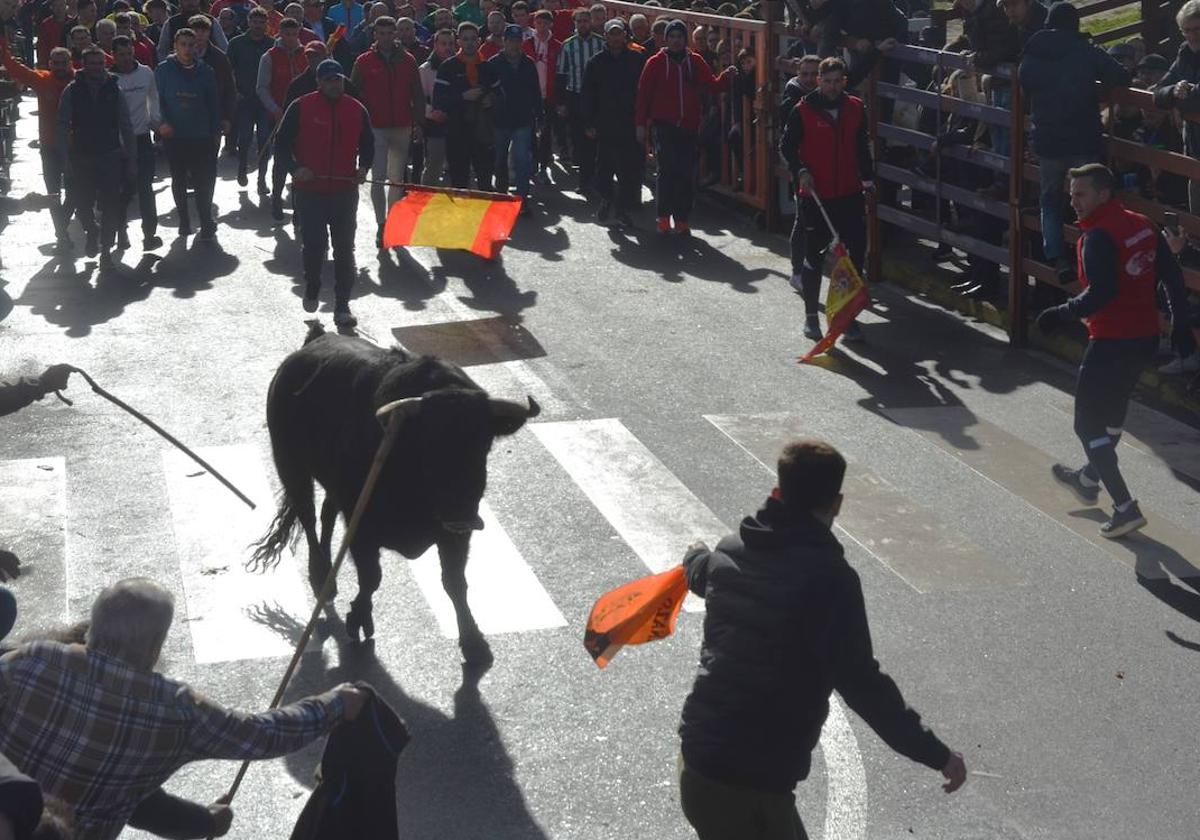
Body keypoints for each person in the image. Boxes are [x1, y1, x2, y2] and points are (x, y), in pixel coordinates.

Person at [677, 438, 967, 839]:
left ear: (777, 491)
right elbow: (864, 686)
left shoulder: (730, 553)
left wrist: (693, 555)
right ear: (837, 504)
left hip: (697, 764)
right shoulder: (831, 581)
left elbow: (702, 572)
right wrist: (936, 754)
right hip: (754, 783)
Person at [0, 577, 369, 840]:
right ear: (155, 650)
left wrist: (201, 822)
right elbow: (265, 734)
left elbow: (143, 803)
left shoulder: (29, 660)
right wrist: (335, 703)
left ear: (90, 628)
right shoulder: (176, 711)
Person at [1036, 164, 1194, 538]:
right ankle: (1090, 477)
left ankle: (1124, 507)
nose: (1073, 202)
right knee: (1111, 417)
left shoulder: (1097, 237)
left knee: (1085, 424)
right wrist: (1180, 325)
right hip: (1144, 339)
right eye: (1072, 194)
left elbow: (1101, 293)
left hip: (1111, 340)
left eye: (1081, 194)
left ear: (1104, 194)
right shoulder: (1142, 224)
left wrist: (1058, 313)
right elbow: (1171, 276)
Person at [1019, 2, 1130, 281]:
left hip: (1048, 140)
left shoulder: (1033, 51)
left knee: (1050, 199)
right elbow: (1120, 76)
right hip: (1082, 138)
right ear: (1075, 24)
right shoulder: (1085, 50)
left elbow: (1025, 82)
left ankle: (1057, 258)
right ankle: (1091, 259)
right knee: (1091, 200)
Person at [779, 56, 871, 342]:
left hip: (849, 193)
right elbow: (787, 146)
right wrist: (800, 170)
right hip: (816, 194)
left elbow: (861, 147)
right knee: (814, 255)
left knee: (853, 258)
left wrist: (868, 180)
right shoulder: (802, 110)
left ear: (844, 81)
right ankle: (810, 317)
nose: (832, 87)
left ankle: (847, 317)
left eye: (837, 81)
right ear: (818, 81)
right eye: (827, 81)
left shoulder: (855, 108)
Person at [276, 59, 374, 327]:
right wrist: (296, 169)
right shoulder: (301, 106)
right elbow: (281, 145)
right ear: (319, 82)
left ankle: (342, 305)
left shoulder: (356, 109)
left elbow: (368, 145)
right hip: (310, 192)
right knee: (315, 244)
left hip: (344, 191)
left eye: (338, 79)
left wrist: (363, 168)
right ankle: (313, 283)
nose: (334, 84)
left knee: (345, 248)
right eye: (329, 80)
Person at [634, 19, 731, 236]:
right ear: (666, 39)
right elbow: (643, 95)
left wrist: (726, 76)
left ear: (684, 40)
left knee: (686, 174)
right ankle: (663, 217)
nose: (676, 41)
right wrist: (640, 125)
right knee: (667, 171)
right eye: (672, 37)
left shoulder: (694, 61)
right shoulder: (655, 63)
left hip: (689, 125)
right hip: (664, 125)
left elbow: (712, 85)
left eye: (680, 37)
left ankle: (682, 218)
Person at [349, 14, 424, 247]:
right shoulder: (363, 61)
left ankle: (392, 221)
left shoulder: (409, 60)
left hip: (402, 125)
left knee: (397, 180)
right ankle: (381, 224)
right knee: (379, 178)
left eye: (389, 33)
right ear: (375, 35)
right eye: (381, 33)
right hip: (375, 128)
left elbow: (417, 93)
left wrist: (419, 123)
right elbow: (353, 94)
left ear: (396, 34)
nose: (386, 38)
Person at [58, 46, 135, 266]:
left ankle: (106, 250)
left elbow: (126, 125)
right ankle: (91, 230)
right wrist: (64, 159)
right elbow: (62, 125)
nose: (96, 68)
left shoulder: (114, 88)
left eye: (100, 63)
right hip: (81, 156)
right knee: (82, 204)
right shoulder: (72, 90)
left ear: (105, 64)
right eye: (91, 63)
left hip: (110, 155)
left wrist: (131, 159)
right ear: (83, 65)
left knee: (111, 204)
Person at [0, 45, 74, 247]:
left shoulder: (80, 81)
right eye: (56, 63)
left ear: (71, 63)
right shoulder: (42, 80)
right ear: (50, 64)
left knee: (75, 192)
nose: (60, 66)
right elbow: (15, 69)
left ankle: (63, 223)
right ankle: (61, 234)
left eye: (63, 63)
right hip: (49, 147)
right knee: (53, 193)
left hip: (74, 149)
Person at [156, 28, 221, 240]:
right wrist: (162, 123)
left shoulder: (206, 71)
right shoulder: (164, 70)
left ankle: (205, 219)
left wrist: (216, 131)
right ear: (175, 46)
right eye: (182, 44)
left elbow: (213, 104)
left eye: (191, 45)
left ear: (197, 47)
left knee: (205, 180)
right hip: (175, 135)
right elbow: (156, 101)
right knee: (179, 178)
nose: (187, 49)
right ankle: (184, 220)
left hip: (201, 134)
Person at [582, 17, 642, 226]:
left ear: (625, 35)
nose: (616, 37)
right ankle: (607, 199)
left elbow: (643, 93)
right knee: (604, 169)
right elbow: (588, 95)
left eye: (619, 33)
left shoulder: (636, 60)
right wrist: (588, 123)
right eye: (612, 33)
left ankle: (622, 209)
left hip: (628, 123)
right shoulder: (595, 62)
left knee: (628, 169)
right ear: (606, 36)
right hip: (604, 123)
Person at [112, 35, 162, 251]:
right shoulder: (109, 78)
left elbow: (154, 97)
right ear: (113, 55)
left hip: (142, 139)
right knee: (122, 191)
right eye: (121, 54)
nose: (125, 58)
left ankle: (149, 234)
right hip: (118, 143)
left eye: (129, 53)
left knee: (145, 188)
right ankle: (121, 230)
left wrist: (155, 120)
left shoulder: (146, 72)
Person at [433, 21, 495, 190]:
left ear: (479, 41)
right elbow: (438, 101)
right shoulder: (448, 67)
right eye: (465, 39)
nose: (469, 43)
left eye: (473, 39)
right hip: (456, 132)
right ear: (458, 42)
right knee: (459, 182)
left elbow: (501, 95)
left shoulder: (488, 67)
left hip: (483, 133)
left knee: (485, 181)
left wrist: (492, 99)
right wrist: (462, 96)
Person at [257, 17, 307, 219]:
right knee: (281, 158)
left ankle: (297, 203)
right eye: (286, 34)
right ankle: (276, 198)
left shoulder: (306, 54)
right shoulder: (269, 56)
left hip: (303, 116)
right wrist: (274, 108)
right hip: (278, 114)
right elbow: (261, 87)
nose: (290, 38)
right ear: (280, 33)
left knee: (302, 158)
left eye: (294, 34)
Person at [1153, 0, 1200, 215]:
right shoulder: (1185, 54)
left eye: (1197, 29)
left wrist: (1186, 92)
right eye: (1186, 30)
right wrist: (1174, 91)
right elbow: (1158, 91)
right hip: (1194, 149)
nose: (1192, 35)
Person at [488, 24, 540, 207]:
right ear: (504, 41)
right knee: (499, 159)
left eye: (518, 41)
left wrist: (538, 116)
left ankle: (522, 198)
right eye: (511, 41)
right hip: (500, 120)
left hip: (523, 120)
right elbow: (487, 91)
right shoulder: (493, 63)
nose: (515, 45)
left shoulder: (529, 63)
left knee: (522, 161)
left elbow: (535, 92)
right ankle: (501, 194)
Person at [555, 6, 603, 193]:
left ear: (590, 22)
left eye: (585, 20)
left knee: (596, 139)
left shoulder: (601, 43)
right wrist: (561, 103)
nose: (582, 24)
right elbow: (561, 74)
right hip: (575, 96)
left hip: (596, 98)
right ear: (574, 23)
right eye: (579, 21)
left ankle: (598, 179)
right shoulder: (567, 45)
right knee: (579, 140)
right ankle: (584, 181)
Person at [228, 5, 274, 193]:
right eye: (254, 22)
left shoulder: (272, 44)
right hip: (244, 98)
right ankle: (242, 167)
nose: (258, 25)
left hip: (265, 101)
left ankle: (261, 179)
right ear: (248, 22)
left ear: (266, 24)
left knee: (265, 140)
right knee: (245, 137)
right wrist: (234, 92)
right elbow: (228, 69)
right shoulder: (237, 43)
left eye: (261, 22)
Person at [525, 9, 562, 185]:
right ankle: (531, 163)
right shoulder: (527, 44)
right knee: (530, 131)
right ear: (534, 24)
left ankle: (543, 165)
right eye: (538, 23)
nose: (541, 27)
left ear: (550, 24)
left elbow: (562, 74)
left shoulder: (557, 46)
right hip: (531, 96)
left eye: (545, 23)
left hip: (549, 96)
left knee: (546, 133)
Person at [417, 27, 453, 184]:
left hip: (457, 121)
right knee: (434, 165)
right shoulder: (425, 69)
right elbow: (419, 98)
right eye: (443, 43)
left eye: (451, 43)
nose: (447, 47)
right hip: (434, 123)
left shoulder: (460, 65)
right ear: (435, 45)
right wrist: (432, 113)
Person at [157, 0, 228, 61]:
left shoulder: (211, 21)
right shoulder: (171, 23)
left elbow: (224, 48)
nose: (190, 2)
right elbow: (162, 51)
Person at [779, 53, 818, 124]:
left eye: (814, 74)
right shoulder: (790, 103)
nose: (809, 79)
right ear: (798, 74)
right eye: (804, 74)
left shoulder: (829, 95)